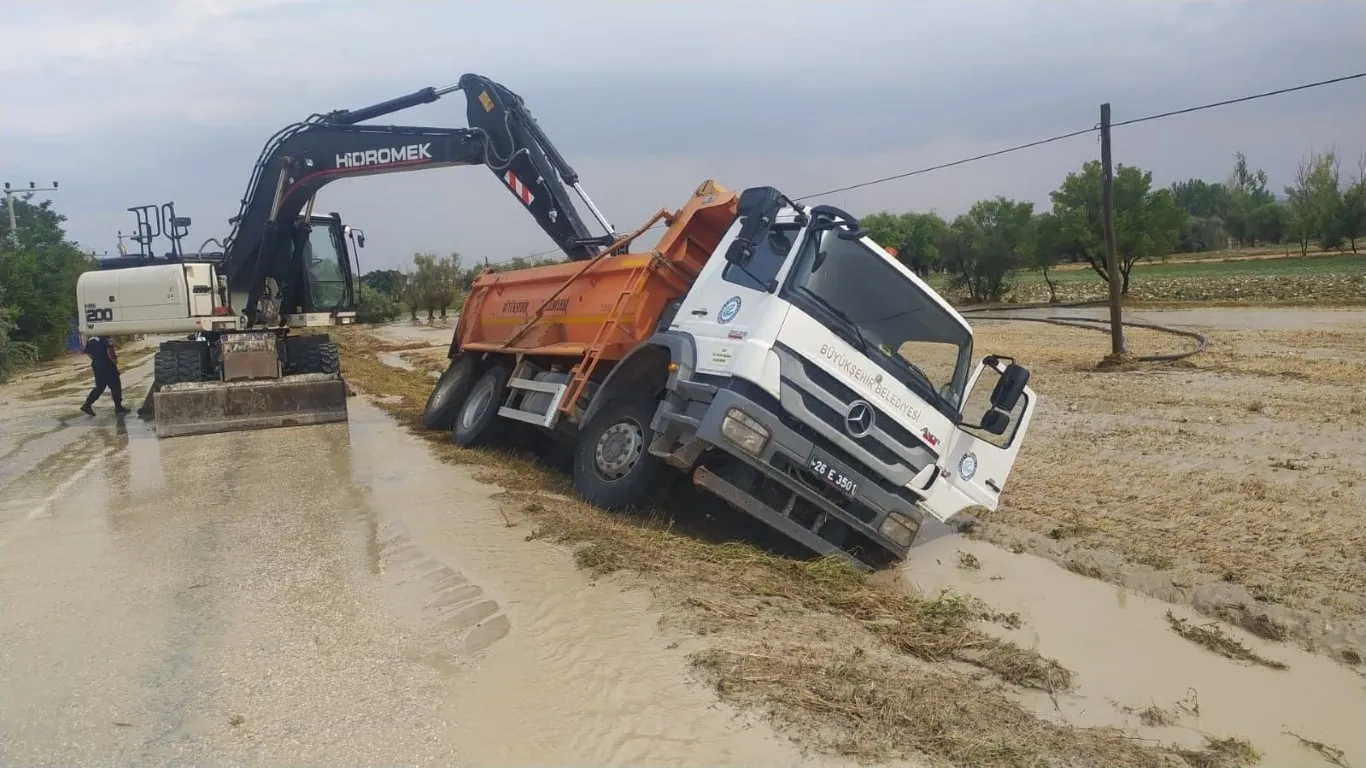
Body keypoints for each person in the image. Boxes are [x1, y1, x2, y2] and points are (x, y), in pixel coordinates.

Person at [80, 334, 130, 416]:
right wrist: (113, 360)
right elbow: (109, 350)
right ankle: (118, 407)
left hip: (96, 364)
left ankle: (87, 405)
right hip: (107, 364)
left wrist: (96, 359)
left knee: (99, 387)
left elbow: (88, 353)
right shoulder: (106, 338)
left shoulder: (91, 339)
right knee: (115, 385)